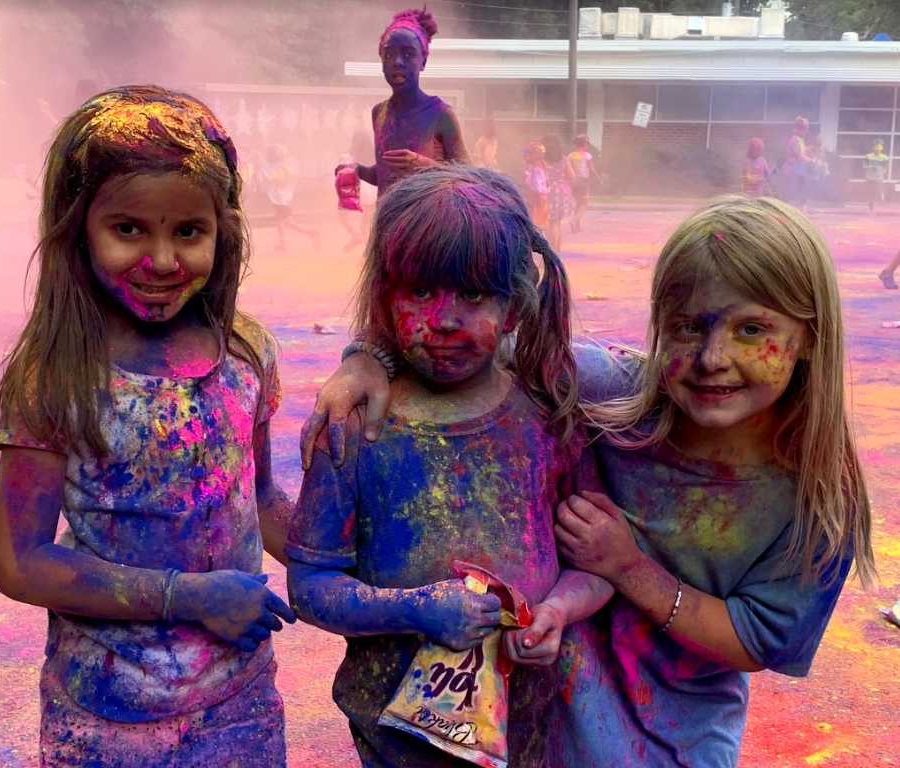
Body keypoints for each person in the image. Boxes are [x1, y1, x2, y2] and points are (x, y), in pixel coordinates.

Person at [300, 194, 876, 768]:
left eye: (751, 329)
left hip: (671, 740)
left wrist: (629, 568)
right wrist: (367, 357)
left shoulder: (820, 498)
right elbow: (466, 331)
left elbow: (755, 640)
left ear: (810, 336)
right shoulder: (607, 392)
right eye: (687, 327)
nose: (712, 358)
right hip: (539, 720)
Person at [0, 86, 298, 768]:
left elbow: (259, 499)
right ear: (77, 229)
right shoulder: (57, 374)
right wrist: (188, 598)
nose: (161, 260)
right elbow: (20, 561)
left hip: (240, 703)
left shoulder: (247, 354)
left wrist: (352, 566)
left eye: (188, 231)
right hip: (106, 715)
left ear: (223, 232)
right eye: (128, 229)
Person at [286, 165, 613, 768]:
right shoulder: (356, 427)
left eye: (474, 295)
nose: (444, 318)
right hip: (395, 740)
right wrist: (415, 609)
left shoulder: (549, 418)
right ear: (385, 296)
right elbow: (310, 586)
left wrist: (557, 612)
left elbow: (595, 565)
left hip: (527, 727)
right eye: (420, 293)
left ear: (513, 306)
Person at [350, 7, 469, 197]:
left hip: (429, 215)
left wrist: (423, 164)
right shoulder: (379, 113)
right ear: (382, 62)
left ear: (423, 62)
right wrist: (358, 170)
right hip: (388, 215)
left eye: (408, 54)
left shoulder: (440, 114)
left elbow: (468, 179)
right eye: (389, 54)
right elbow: (387, 174)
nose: (397, 62)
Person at [261, 143, 321, 251]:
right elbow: (295, 174)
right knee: (279, 220)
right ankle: (283, 243)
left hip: (279, 199)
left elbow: (270, 179)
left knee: (287, 222)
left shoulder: (272, 168)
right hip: (281, 198)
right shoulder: (281, 167)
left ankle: (311, 233)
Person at [542, 134, 574, 252]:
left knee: (552, 224)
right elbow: (571, 176)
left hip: (549, 191)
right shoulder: (563, 159)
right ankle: (557, 251)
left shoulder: (542, 160)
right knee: (557, 223)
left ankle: (553, 253)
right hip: (562, 191)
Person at [566, 134, 603, 233]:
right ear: (585, 144)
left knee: (578, 204)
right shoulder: (587, 155)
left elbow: (568, 169)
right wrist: (599, 179)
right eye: (587, 144)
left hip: (573, 181)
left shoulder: (570, 155)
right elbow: (591, 169)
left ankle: (577, 226)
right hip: (583, 181)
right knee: (584, 204)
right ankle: (574, 221)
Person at [780, 116, 812, 214]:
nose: (806, 132)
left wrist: (808, 150)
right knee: (792, 192)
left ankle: (802, 212)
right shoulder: (795, 140)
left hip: (799, 170)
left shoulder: (800, 140)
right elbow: (799, 156)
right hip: (792, 169)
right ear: (800, 129)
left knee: (803, 190)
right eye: (805, 130)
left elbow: (802, 153)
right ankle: (785, 212)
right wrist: (811, 160)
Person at [521, 140, 550, 232]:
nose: (524, 156)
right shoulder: (538, 169)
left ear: (534, 156)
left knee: (535, 227)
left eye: (527, 154)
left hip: (537, 201)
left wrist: (530, 189)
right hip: (540, 201)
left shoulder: (536, 170)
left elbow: (538, 188)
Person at [863, 138, 889, 215]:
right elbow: (864, 166)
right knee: (869, 194)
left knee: (877, 191)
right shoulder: (868, 156)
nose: (877, 149)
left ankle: (881, 196)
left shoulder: (884, 157)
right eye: (875, 146)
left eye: (878, 147)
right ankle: (871, 209)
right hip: (869, 178)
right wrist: (870, 167)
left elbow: (885, 168)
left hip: (878, 178)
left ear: (881, 148)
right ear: (873, 147)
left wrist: (880, 172)